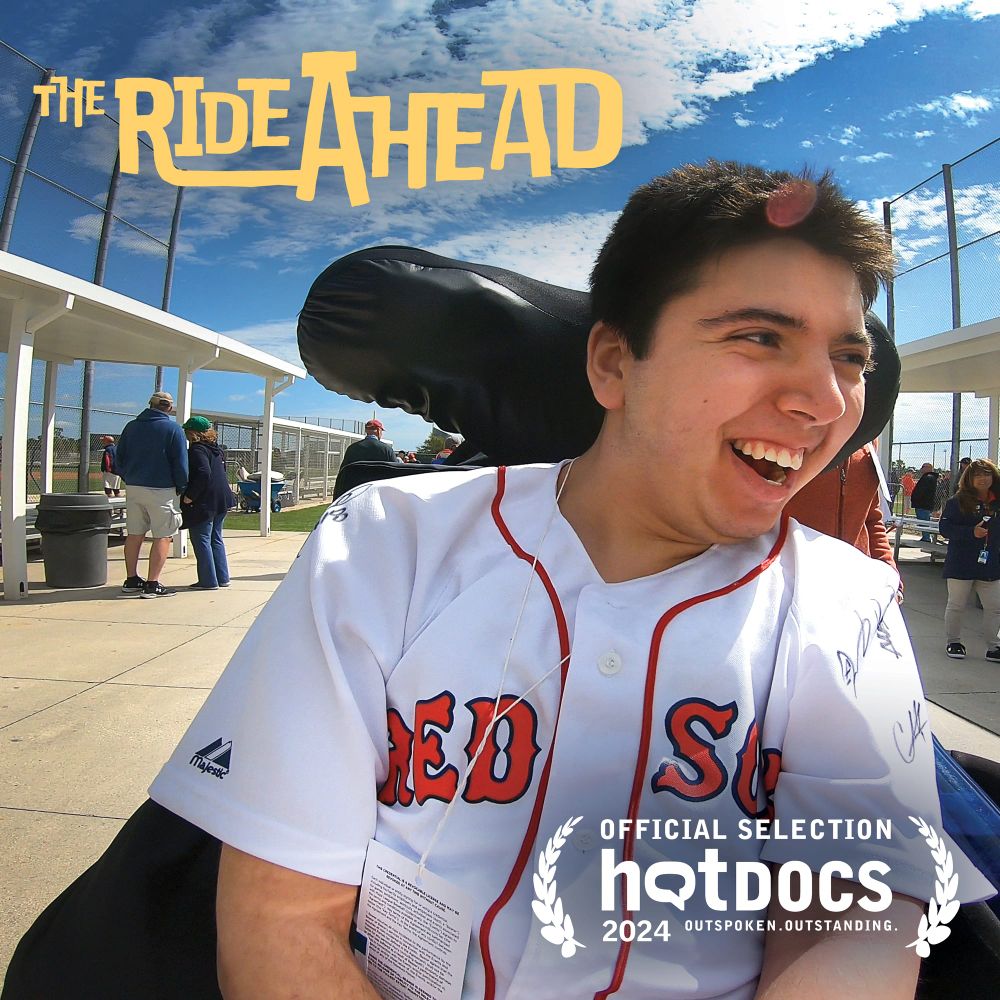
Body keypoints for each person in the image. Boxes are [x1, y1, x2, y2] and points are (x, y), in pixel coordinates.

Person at [150, 162, 992, 999]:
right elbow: (283, 920)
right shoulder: (383, 543)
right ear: (614, 365)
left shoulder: (846, 604)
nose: (825, 399)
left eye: (849, 356)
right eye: (760, 336)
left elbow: (852, 932)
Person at [115, 391, 188, 599]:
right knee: (163, 535)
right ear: (169, 408)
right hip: (162, 489)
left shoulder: (131, 427)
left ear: (150, 404)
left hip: (134, 487)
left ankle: (131, 578)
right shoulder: (172, 429)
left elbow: (119, 458)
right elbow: (180, 463)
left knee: (135, 534)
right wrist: (181, 486)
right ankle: (153, 582)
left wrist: (129, 476)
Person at [938, 459, 1000, 661]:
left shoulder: (997, 502)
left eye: (987, 474)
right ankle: (953, 642)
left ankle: (994, 646)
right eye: (978, 475)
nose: (983, 479)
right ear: (970, 478)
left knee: (994, 607)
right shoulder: (957, 502)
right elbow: (945, 529)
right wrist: (971, 532)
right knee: (957, 604)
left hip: (990, 565)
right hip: (961, 562)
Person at [180, 416, 236, 591]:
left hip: (205, 501)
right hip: (221, 499)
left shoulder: (197, 450)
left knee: (202, 539)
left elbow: (204, 472)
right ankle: (222, 577)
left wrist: (190, 496)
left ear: (193, 432)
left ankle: (208, 580)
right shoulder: (217, 450)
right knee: (216, 538)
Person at [910, 462, 939, 541]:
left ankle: (926, 538)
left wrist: (916, 498)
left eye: (923, 467)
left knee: (923, 521)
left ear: (928, 468)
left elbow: (921, 491)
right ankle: (925, 537)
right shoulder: (929, 477)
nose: (921, 468)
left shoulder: (928, 477)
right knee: (923, 521)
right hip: (924, 504)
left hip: (923, 504)